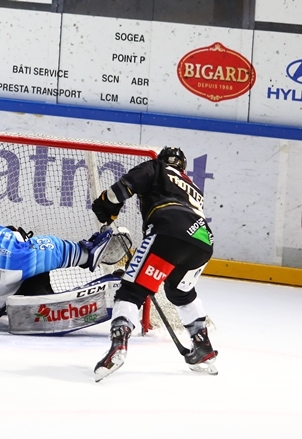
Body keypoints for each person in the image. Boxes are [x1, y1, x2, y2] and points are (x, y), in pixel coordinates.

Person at [90, 146, 216, 382]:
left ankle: (118, 345)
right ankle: (204, 349)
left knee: (131, 290)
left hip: (168, 231)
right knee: (181, 291)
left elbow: (121, 189)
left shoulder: (156, 167)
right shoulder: (194, 187)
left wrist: (106, 205)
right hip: (202, 240)